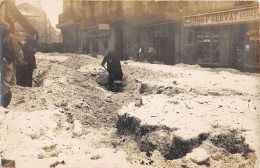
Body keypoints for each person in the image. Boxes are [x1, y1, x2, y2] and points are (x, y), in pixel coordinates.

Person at [1, 21, 27, 107]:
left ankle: (6, 99)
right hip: (7, 62)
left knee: (6, 81)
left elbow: (16, 51)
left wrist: (19, 61)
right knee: (8, 80)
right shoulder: (6, 37)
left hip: (8, 62)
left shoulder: (11, 38)